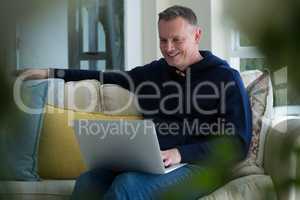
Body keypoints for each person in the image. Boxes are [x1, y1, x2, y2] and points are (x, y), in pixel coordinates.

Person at [20, 5, 252, 200]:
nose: (168, 48)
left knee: (127, 186)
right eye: (163, 40)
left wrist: (180, 153)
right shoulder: (155, 72)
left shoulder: (225, 77)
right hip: (152, 163)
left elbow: (238, 143)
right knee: (88, 181)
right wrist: (51, 72)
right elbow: (107, 77)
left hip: (201, 167)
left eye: (176, 40)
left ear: (197, 35)